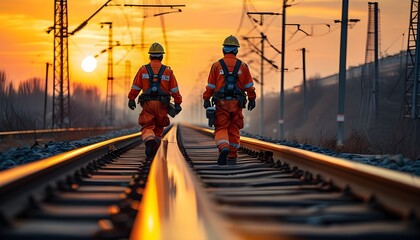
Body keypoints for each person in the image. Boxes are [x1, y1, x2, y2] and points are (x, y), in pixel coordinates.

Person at [202, 35, 256, 165]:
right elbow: (249, 86)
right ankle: (232, 156)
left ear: (223, 50)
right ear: (236, 50)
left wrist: (206, 98)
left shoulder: (216, 66)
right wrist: (252, 99)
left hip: (221, 103)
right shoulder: (243, 66)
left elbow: (211, 86)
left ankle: (224, 147)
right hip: (237, 103)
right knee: (234, 128)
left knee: (221, 127)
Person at [128, 42, 182, 161]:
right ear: (161, 56)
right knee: (158, 126)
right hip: (162, 104)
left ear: (150, 56)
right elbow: (174, 90)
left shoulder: (143, 70)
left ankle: (149, 140)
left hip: (147, 104)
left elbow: (136, 87)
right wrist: (178, 103)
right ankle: (154, 147)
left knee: (147, 125)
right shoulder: (168, 71)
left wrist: (131, 99)